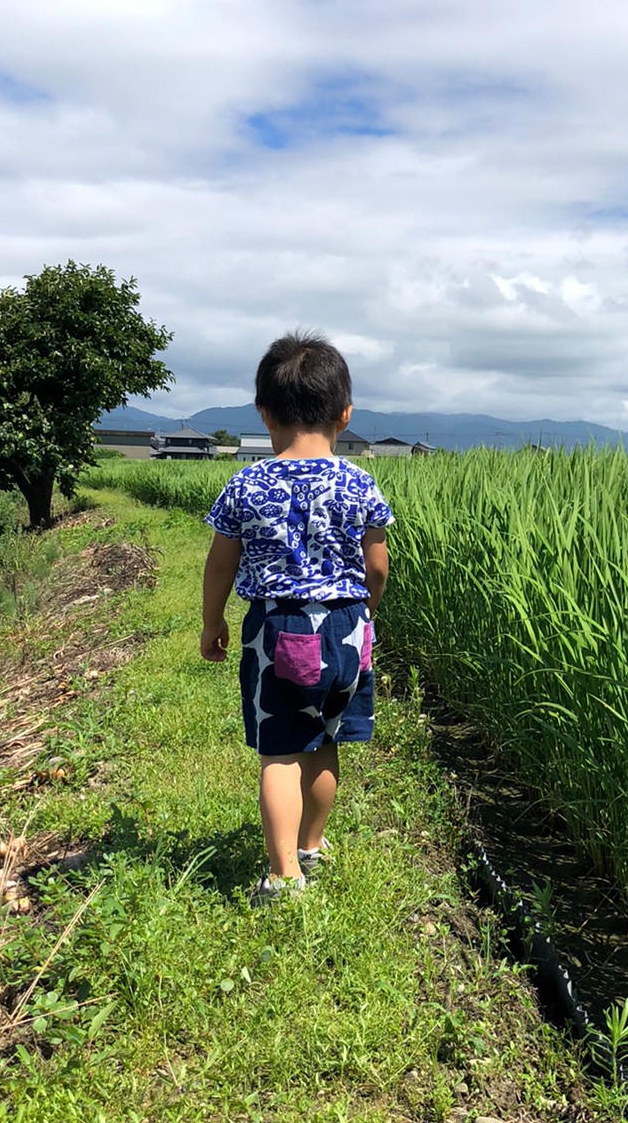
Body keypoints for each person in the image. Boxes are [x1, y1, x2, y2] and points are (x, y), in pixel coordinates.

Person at [200, 330, 392, 905]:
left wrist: (213, 621)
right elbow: (376, 566)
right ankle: (312, 842)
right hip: (348, 628)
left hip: (279, 630)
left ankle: (284, 876)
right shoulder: (359, 481)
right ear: (346, 413)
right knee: (324, 738)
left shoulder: (248, 482)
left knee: (280, 751)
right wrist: (363, 616)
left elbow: (219, 564)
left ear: (264, 413)